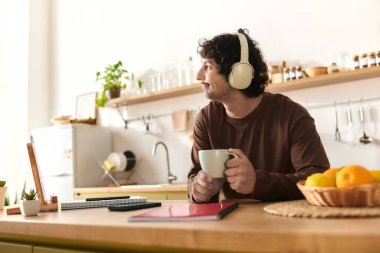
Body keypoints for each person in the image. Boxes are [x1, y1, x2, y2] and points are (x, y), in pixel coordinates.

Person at [187, 28, 330, 203]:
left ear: (238, 72)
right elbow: (195, 175)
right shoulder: (206, 119)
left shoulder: (291, 114)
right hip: (231, 224)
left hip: (288, 222)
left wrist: (257, 182)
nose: (198, 76)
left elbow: (318, 178)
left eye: (208, 66)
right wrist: (199, 190)